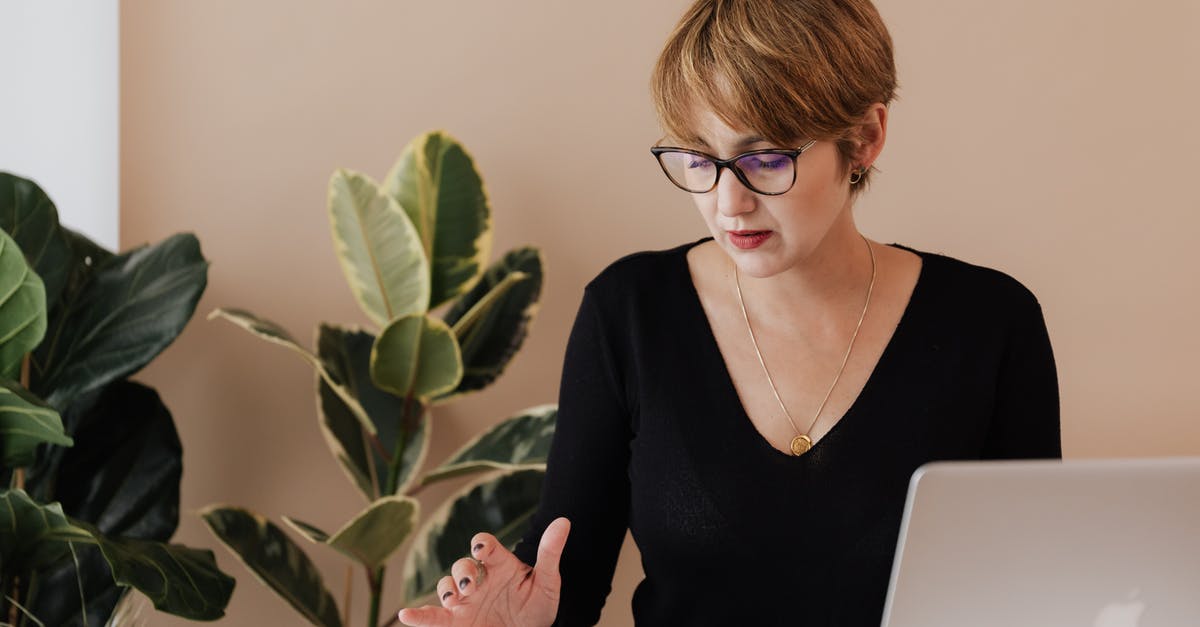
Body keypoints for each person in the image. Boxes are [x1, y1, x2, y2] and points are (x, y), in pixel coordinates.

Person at [399, 0, 1060, 625]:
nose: (727, 203)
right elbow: (566, 576)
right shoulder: (628, 313)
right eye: (698, 158)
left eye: (764, 159)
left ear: (864, 137)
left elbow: (1040, 586)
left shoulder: (991, 324)